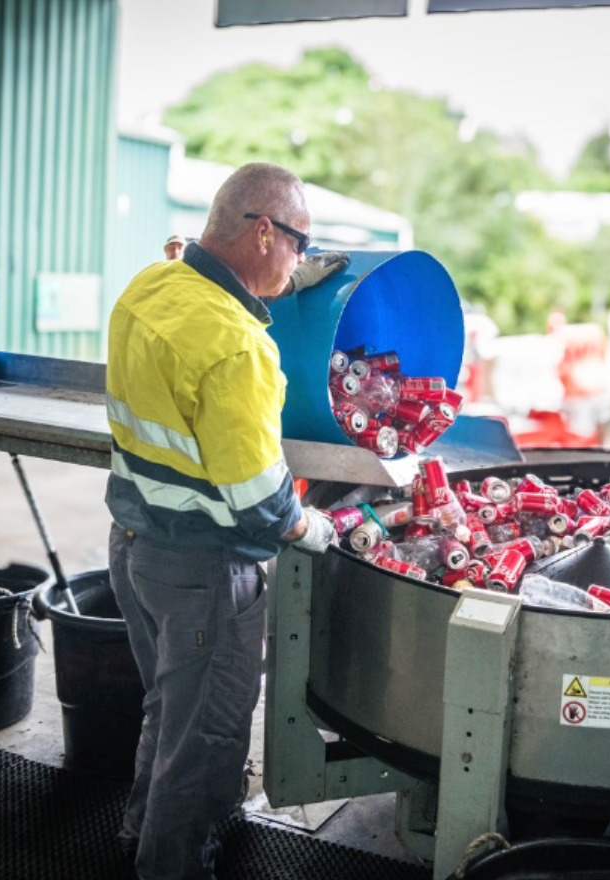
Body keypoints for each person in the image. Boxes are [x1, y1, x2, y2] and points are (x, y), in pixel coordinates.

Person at [105, 162, 349, 880]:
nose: (302, 260)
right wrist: (316, 530)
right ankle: (171, 865)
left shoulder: (150, 287)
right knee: (206, 737)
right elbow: (261, 502)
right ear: (263, 231)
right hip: (205, 573)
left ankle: (137, 835)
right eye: (299, 245)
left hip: (135, 548)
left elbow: (201, 279)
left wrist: (278, 282)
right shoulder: (239, 349)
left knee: (169, 714)